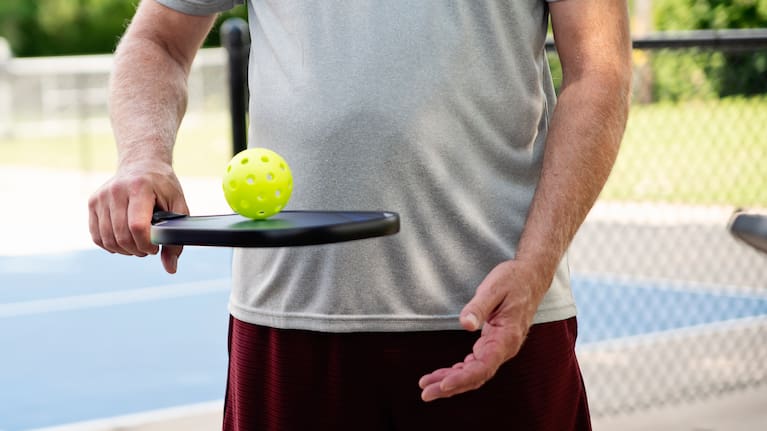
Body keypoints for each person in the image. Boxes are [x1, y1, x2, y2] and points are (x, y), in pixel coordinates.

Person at [88, 0, 631, 429]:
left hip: (495, 311)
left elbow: (600, 69)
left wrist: (536, 266)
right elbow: (158, 40)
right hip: (290, 316)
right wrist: (142, 154)